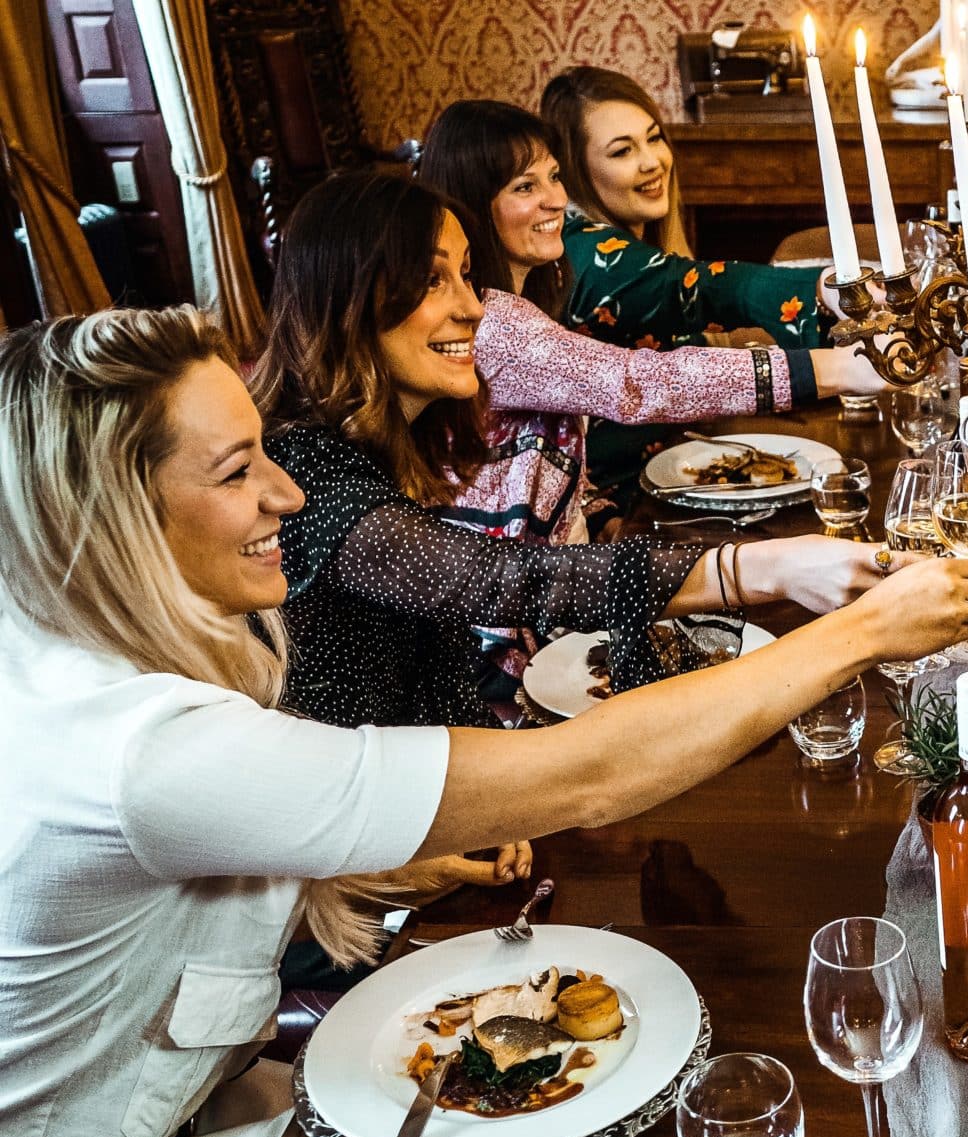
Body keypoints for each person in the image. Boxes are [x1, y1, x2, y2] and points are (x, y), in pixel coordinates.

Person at [0, 306, 968, 1137]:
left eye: (266, 453)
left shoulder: (63, 651)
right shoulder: (146, 748)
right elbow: (592, 773)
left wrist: (350, 862)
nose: (284, 495)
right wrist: (859, 632)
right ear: (110, 515)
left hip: (190, 1105)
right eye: (234, 471)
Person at [247, 171, 900, 731]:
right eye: (430, 281)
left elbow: (433, 667)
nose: (474, 308)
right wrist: (770, 567)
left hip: (419, 812)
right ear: (348, 303)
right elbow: (501, 580)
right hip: (353, 857)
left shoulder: (385, 439)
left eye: (467, 275)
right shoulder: (302, 472)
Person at [414, 100, 892, 679]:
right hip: (506, 644)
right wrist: (829, 369)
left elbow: (523, 460)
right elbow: (634, 385)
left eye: (554, 177)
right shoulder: (492, 324)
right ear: (472, 206)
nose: (555, 201)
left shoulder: (523, 307)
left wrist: (600, 514)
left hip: (548, 599)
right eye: (524, 186)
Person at [540, 67, 848, 499]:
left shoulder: (622, 243)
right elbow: (700, 287)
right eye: (622, 151)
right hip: (614, 506)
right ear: (576, 171)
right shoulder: (589, 259)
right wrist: (825, 287)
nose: (652, 161)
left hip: (676, 471)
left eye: (653, 138)